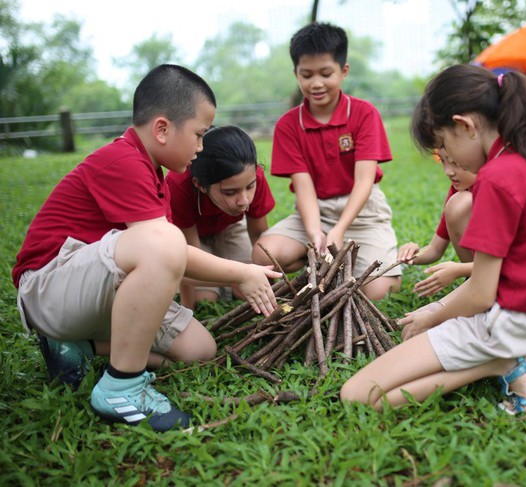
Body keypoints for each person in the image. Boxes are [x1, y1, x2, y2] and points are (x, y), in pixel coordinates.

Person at [12, 64, 280, 432]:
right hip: (48, 288)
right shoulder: (122, 161)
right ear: (162, 129)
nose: (202, 147)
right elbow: (167, 249)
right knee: (166, 239)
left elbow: (170, 260)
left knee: (199, 350)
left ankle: (79, 346)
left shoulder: (153, 172)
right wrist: (242, 272)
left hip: (93, 290)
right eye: (199, 135)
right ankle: (122, 386)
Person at [341, 65, 526, 414]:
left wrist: (435, 317)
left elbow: (481, 294)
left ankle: (499, 363)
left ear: (465, 126)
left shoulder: (497, 178)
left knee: (358, 396)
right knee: (423, 331)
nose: (447, 159)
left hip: (503, 321)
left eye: (443, 145)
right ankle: (508, 353)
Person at [251, 22, 401, 300]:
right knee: (263, 254)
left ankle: (349, 261)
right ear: (295, 73)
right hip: (314, 209)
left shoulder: (364, 113)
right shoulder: (288, 125)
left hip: (363, 210)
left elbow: (364, 180)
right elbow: (304, 187)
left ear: (343, 71)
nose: (316, 83)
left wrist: (340, 229)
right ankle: (321, 261)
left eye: (325, 73)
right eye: (306, 75)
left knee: (381, 293)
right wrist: (315, 231)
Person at [167, 125, 276, 308]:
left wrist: (268, 283)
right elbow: (191, 257)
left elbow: (258, 235)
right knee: (205, 298)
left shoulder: (254, 176)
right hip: (193, 239)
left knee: (250, 284)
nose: (244, 201)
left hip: (230, 228)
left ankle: (228, 285)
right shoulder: (178, 185)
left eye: (250, 187)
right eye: (230, 192)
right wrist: (189, 308)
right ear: (200, 185)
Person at [397, 147, 477, 297]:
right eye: (443, 161)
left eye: (456, 163)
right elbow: (435, 249)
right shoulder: (460, 190)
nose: (448, 171)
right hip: (482, 272)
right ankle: (474, 282)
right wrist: (411, 254)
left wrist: (460, 270)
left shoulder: (497, 189)